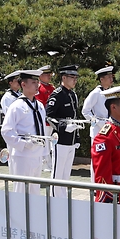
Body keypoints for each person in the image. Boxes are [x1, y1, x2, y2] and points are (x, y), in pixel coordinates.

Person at [1, 70, 48, 194]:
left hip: (37, 154)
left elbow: (41, 129)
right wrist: (23, 143)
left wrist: (43, 151)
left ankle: (33, 213)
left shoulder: (39, 105)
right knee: (21, 191)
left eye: (37, 82)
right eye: (33, 82)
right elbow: (6, 131)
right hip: (22, 155)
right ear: (23, 84)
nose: (37, 85)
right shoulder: (16, 106)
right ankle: (18, 214)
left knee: (35, 191)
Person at [46, 65, 82, 196]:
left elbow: (74, 117)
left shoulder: (73, 95)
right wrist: (64, 127)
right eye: (72, 77)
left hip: (71, 139)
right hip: (60, 139)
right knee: (57, 172)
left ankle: (64, 198)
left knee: (66, 173)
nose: (75, 80)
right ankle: (55, 198)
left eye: (76, 78)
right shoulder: (57, 95)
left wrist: (77, 138)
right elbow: (49, 116)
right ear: (64, 77)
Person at [82, 65, 115, 181]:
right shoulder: (96, 93)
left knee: (107, 157)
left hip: (109, 128)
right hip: (98, 129)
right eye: (109, 77)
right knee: (97, 157)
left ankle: (104, 182)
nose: (111, 79)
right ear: (102, 79)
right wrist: (95, 121)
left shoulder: (110, 92)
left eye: (112, 76)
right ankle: (95, 184)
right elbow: (85, 110)